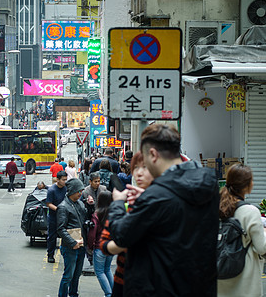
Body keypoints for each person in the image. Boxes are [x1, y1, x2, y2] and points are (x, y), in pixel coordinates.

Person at [108, 124, 220, 296]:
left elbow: (121, 235)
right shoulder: (207, 184)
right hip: (198, 286)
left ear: (153, 154)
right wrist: (148, 199)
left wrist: (117, 203)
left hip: (158, 288)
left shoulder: (158, 196)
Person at [100, 151, 154, 296]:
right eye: (136, 168)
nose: (139, 173)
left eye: (145, 168)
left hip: (151, 283)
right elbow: (104, 244)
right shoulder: (129, 202)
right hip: (123, 280)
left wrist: (123, 241)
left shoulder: (162, 205)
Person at [218, 164, 266, 297]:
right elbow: (262, 247)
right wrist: (264, 232)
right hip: (244, 281)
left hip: (220, 276)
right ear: (247, 185)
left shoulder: (218, 207)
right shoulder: (250, 212)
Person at [57, 178, 87, 297]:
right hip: (70, 247)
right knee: (68, 275)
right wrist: (72, 242)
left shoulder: (80, 203)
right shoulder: (63, 207)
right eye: (78, 191)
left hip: (81, 245)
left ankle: (73, 294)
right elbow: (60, 228)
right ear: (71, 191)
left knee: (77, 274)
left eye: (81, 191)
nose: (80, 193)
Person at [87, 191, 114, 297]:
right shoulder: (114, 213)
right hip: (111, 246)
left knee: (99, 272)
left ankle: (108, 293)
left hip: (99, 247)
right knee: (107, 269)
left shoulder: (97, 215)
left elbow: (92, 234)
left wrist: (89, 246)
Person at [46, 170, 67, 263]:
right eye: (63, 180)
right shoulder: (52, 190)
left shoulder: (66, 189)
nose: (65, 182)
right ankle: (50, 255)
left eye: (66, 180)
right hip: (54, 217)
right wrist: (58, 209)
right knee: (52, 237)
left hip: (64, 217)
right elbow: (49, 204)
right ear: (57, 180)